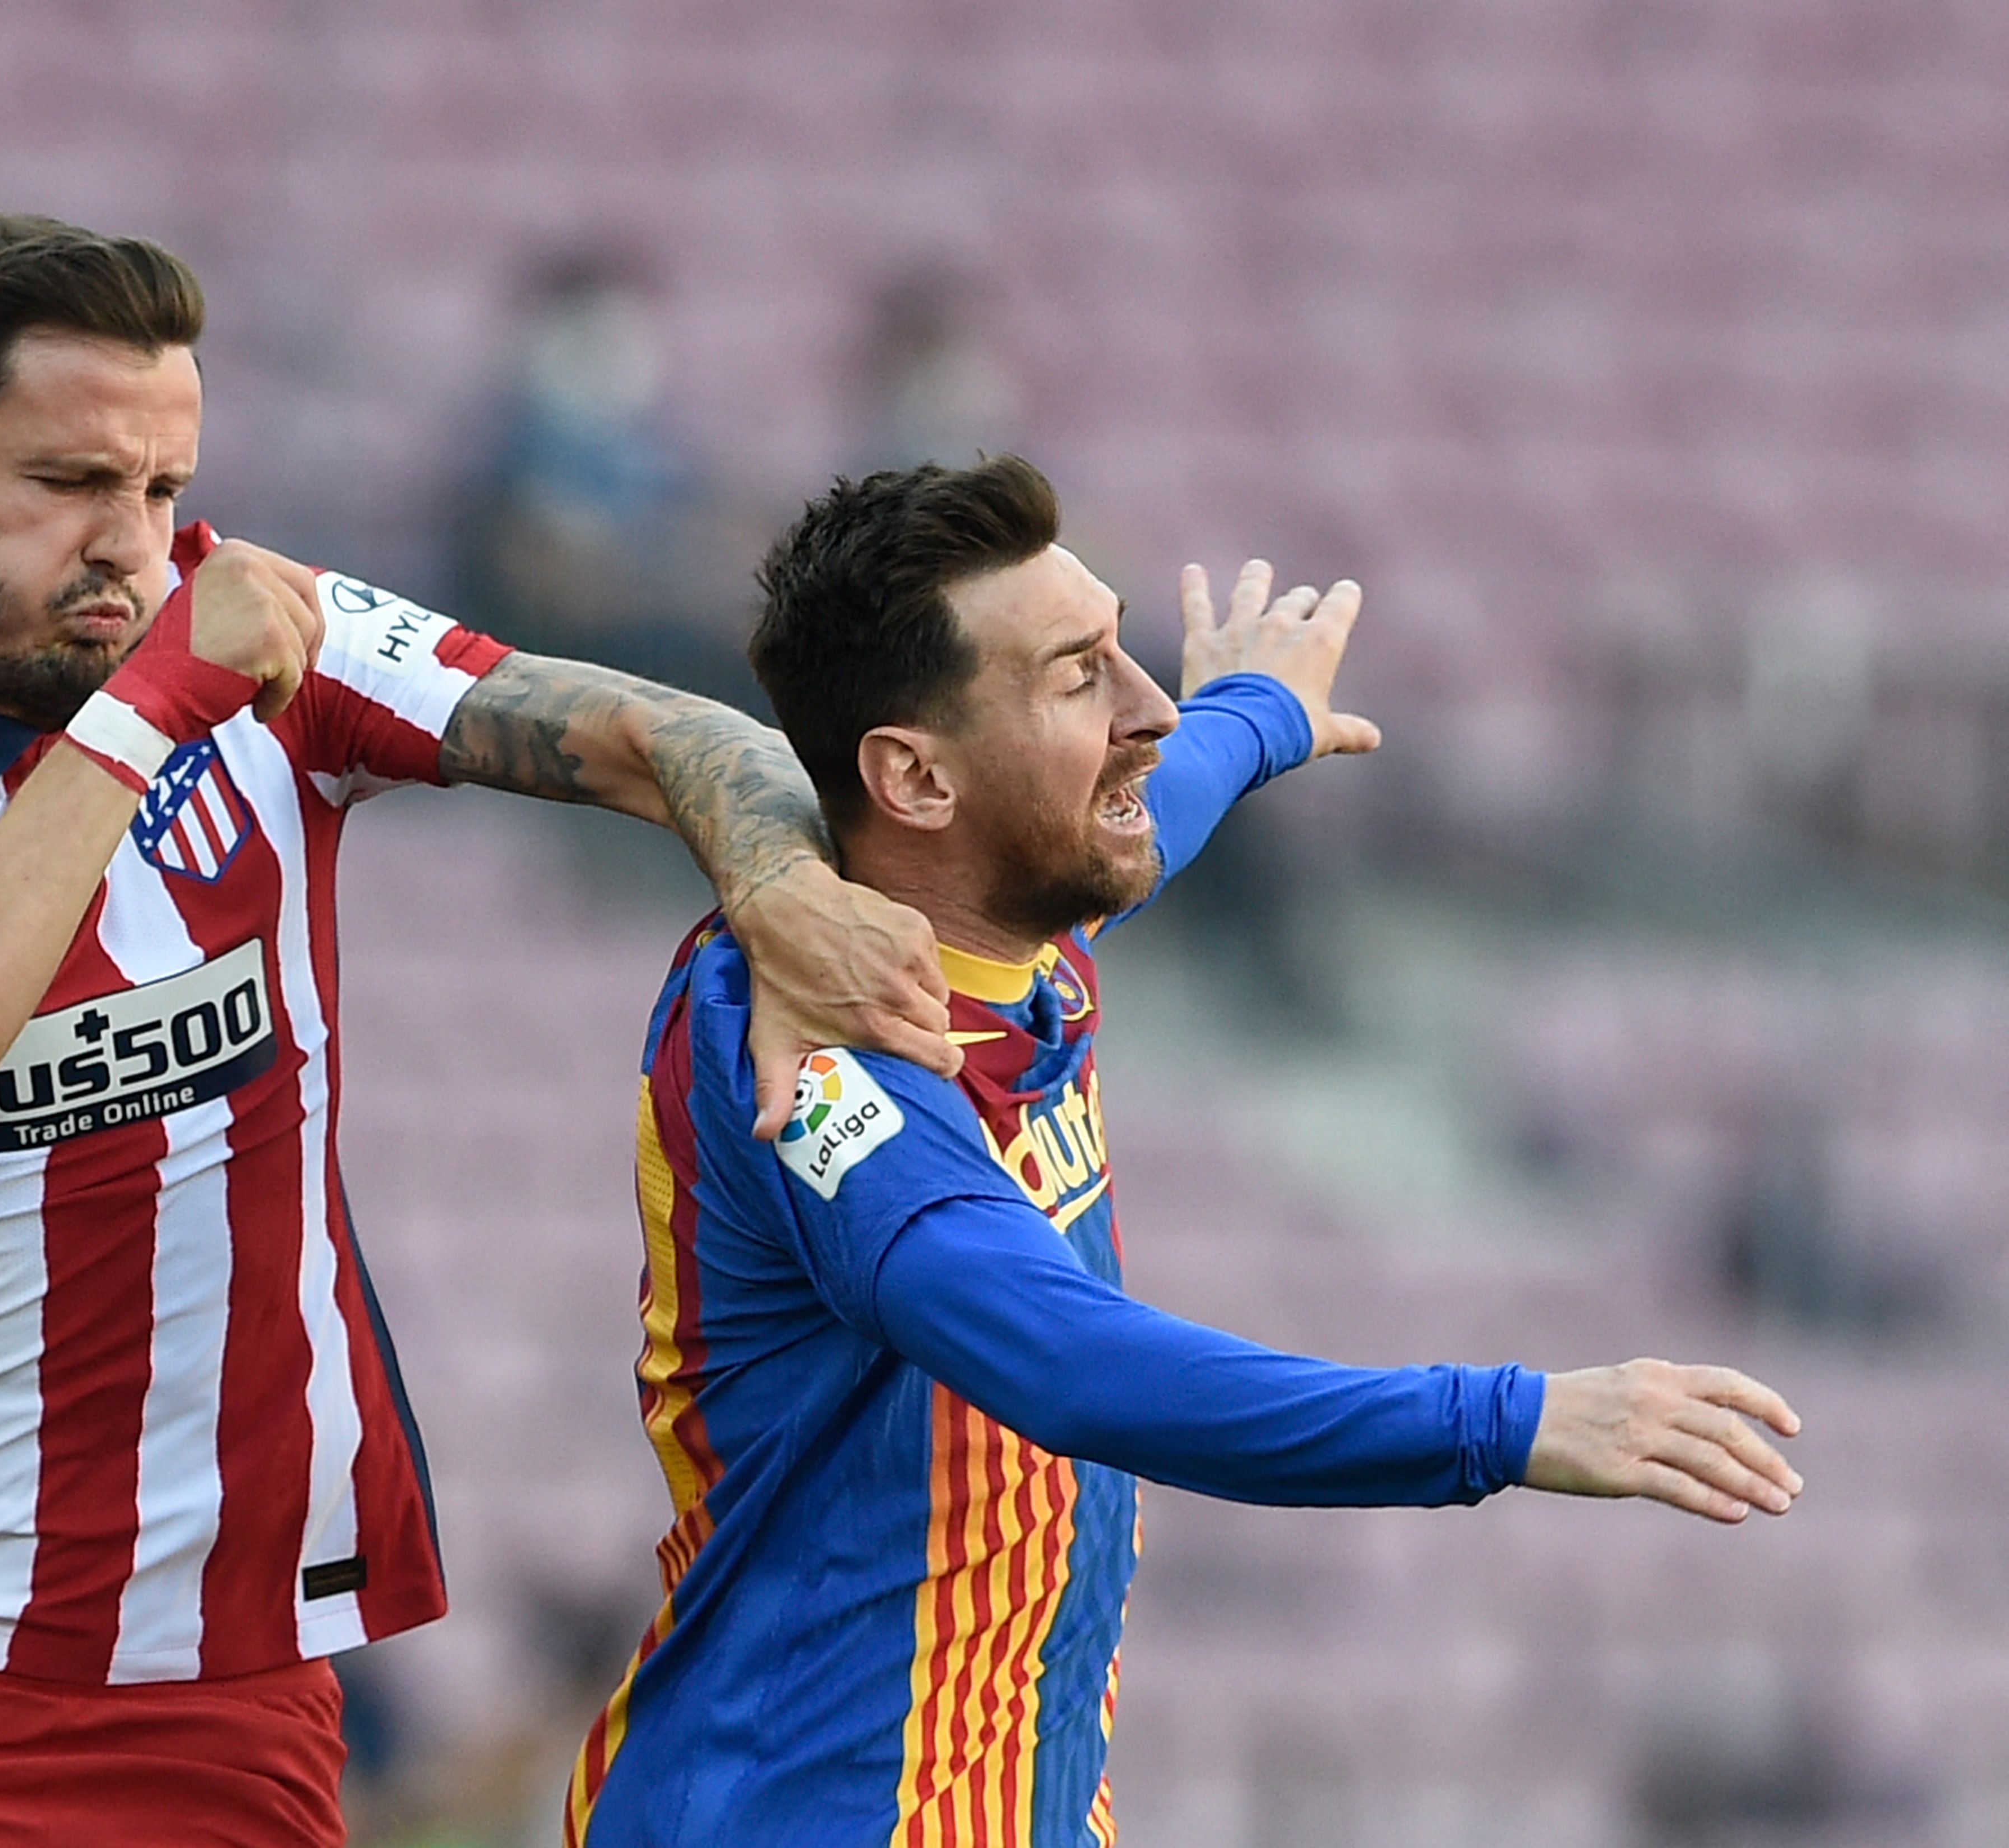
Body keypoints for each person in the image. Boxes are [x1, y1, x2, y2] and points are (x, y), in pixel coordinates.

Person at [0, 208, 958, 1848]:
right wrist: (144, 719)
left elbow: (656, 726)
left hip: (228, 1697)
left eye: (165, 490)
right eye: (67, 486)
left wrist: (775, 877)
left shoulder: (274, 642)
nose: (132, 546)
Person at [561, 457, 1804, 1847]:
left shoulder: (1015, 924)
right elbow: (1068, 1363)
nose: (1149, 710)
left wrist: (1260, 712)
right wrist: (1500, 1420)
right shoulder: (815, 1064)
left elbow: (1164, 798)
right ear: (914, 776)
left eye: (1125, 652)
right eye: (1080, 675)